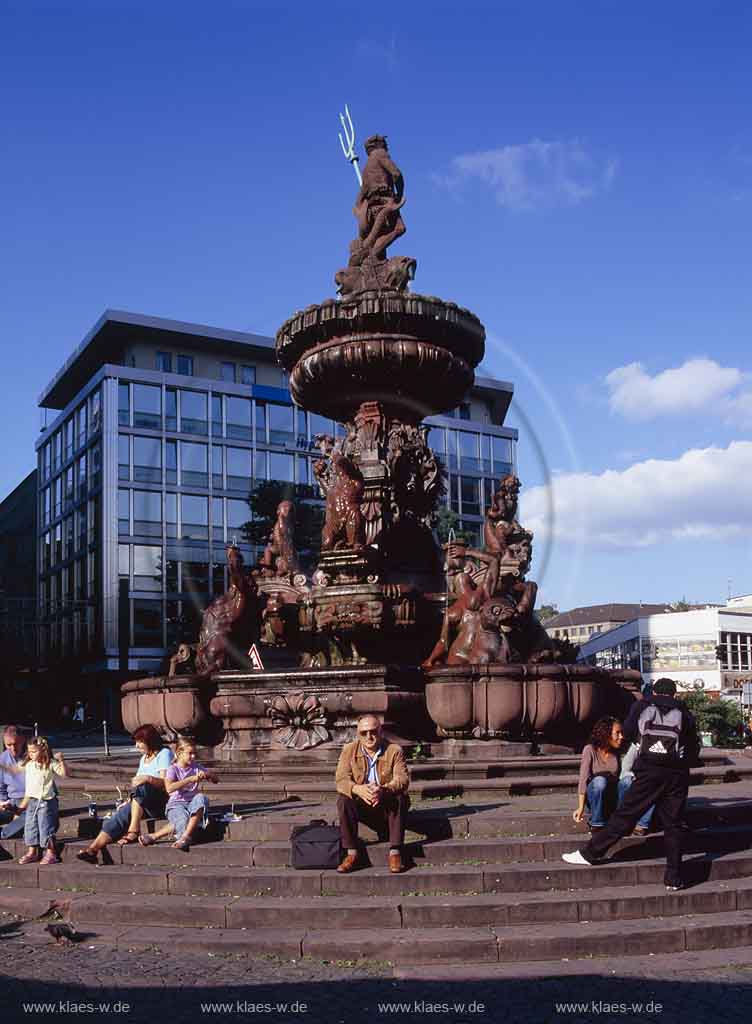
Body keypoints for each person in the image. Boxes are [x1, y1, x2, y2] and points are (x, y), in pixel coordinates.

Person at [563, 678, 701, 891]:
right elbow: (693, 746)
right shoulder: (684, 711)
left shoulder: (643, 705)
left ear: (654, 691)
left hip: (649, 771)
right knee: (673, 825)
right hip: (677, 774)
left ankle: (590, 853)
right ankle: (673, 877)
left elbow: (627, 731)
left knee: (626, 813)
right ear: (674, 694)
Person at [76, 724, 173, 863]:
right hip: (144, 801)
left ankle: (133, 830)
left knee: (142, 786)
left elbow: (166, 783)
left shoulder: (164, 753)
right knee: (120, 815)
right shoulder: (144, 758)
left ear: (150, 741)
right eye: (136, 742)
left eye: (140, 742)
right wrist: (130, 800)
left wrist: (148, 778)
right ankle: (93, 849)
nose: (137, 745)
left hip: (161, 802)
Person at [335, 715, 410, 874]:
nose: (369, 737)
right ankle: (351, 853)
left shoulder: (394, 750)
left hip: (385, 802)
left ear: (380, 731)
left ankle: (395, 852)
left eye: (373, 731)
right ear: (358, 734)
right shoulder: (349, 750)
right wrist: (358, 789)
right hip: (363, 803)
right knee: (343, 800)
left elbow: (402, 779)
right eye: (364, 733)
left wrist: (383, 790)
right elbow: (341, 779)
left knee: (400, 797)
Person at [574, 716, 654, 837]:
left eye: (621, 733)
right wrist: (580, 808)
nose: (621, 736)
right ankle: (596, 823)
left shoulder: (618, 751)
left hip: (614, 796)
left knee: (628, 781)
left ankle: (628, 821)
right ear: (606, 734)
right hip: (597, 796)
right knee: (600, 781)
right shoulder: (590, 750)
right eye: (617, 733)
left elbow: (625, 773)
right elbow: (583, 779)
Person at [140, 739, 218, 851]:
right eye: (190, 753)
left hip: (192, 804)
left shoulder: (196, 767)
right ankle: (178, 836)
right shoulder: (173, 769)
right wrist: (189, 779)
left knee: (201, 798)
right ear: (179, 753)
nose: (193, 756)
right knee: (183, 819)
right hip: (176, 805)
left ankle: (182, 836)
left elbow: (216, 780)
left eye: (194, 753)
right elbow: (169, 788)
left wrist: (208, 774)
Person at [15, 737, 66, 865]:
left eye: (34, 751)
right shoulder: (29, 764)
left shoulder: (50, 763)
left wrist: (61, 760)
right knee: (30, 826)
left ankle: (51, 853)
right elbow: (13, 769)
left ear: (43, 750)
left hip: (46, 801)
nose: (31, 754)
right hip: (32, 800)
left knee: (46, 826)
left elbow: (64, 774)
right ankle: (32, 852)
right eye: (29, 751)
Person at [0, 726, 28, 840]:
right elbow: (1, 787)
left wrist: (20, 809)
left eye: (15, 744)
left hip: (30, 803)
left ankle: (4, 834)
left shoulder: (33, 756)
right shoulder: (2, 758)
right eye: (8, 745)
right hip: (11, 803)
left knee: (31, 817)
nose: (13, 748)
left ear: (22, 740)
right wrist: (2, 802)